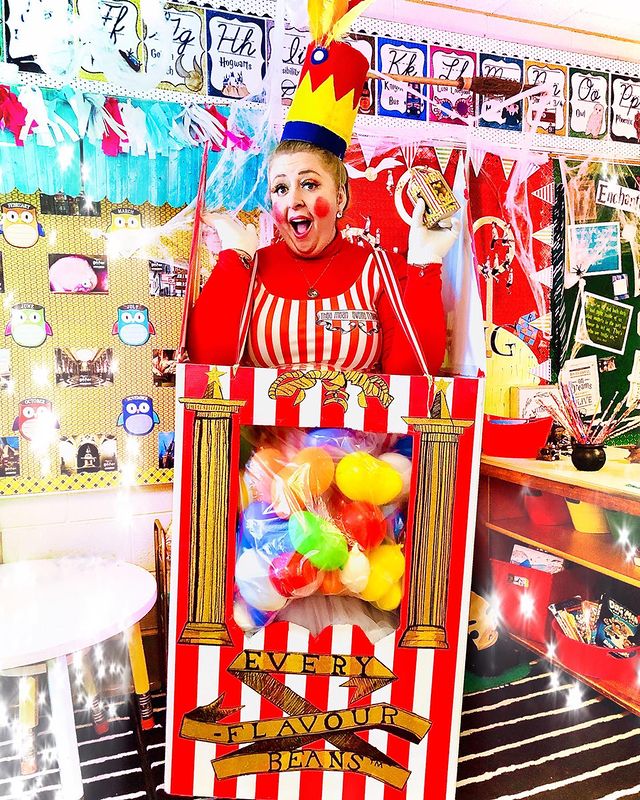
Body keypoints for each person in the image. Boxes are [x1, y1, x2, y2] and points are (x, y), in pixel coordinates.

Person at [186, 28, 460, 377]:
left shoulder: (381, 271)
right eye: (281, 189)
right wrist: (234, 256)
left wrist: (425, 264)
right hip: (262, 434)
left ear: (340, 196)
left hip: (362, 434)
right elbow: (209, 367)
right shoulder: (250, 270)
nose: (294, 200)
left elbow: (412, 376)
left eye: (309, 184)